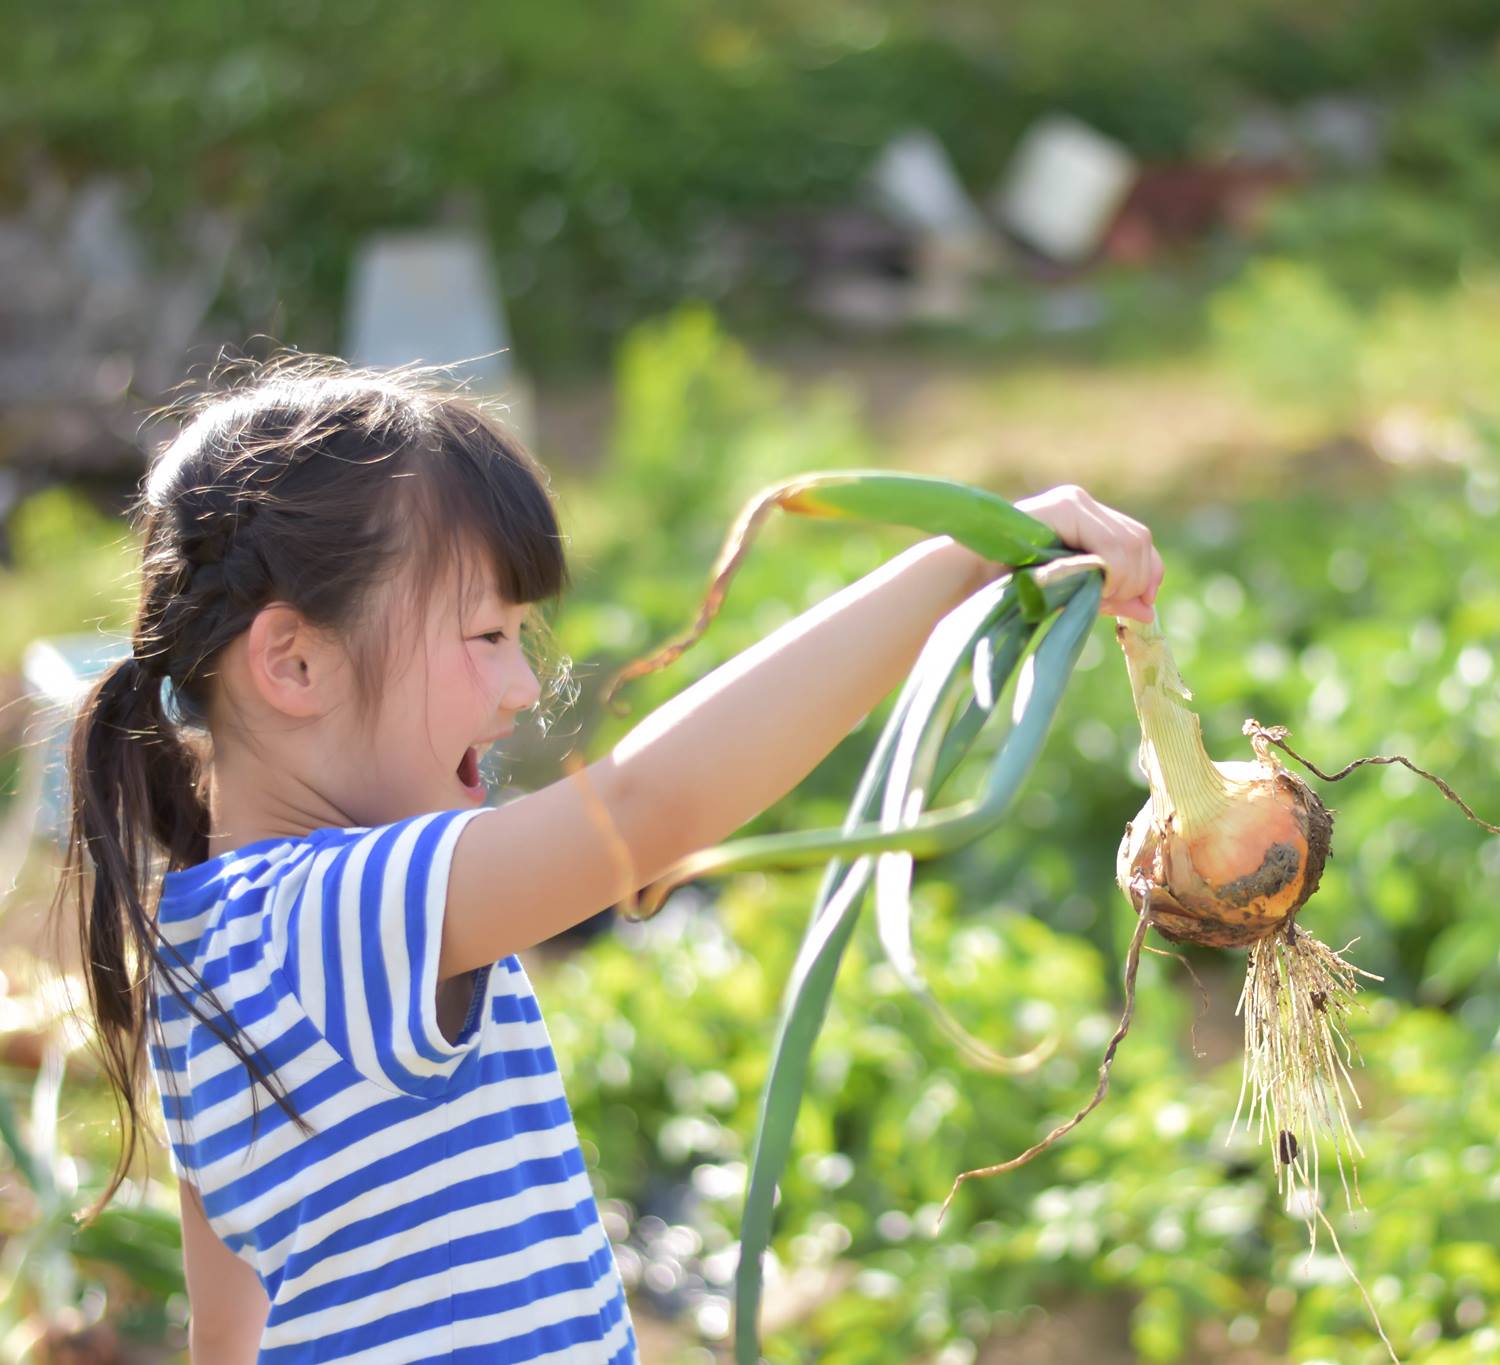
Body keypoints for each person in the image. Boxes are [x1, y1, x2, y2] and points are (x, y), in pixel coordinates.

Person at [59, 355, 1162, 1362]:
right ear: (293, 663)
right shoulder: (339, 911)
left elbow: (225, 1333)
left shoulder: (204, 940)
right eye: (485, 637)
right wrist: (959, 562)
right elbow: (644, 809)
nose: (522, 688)